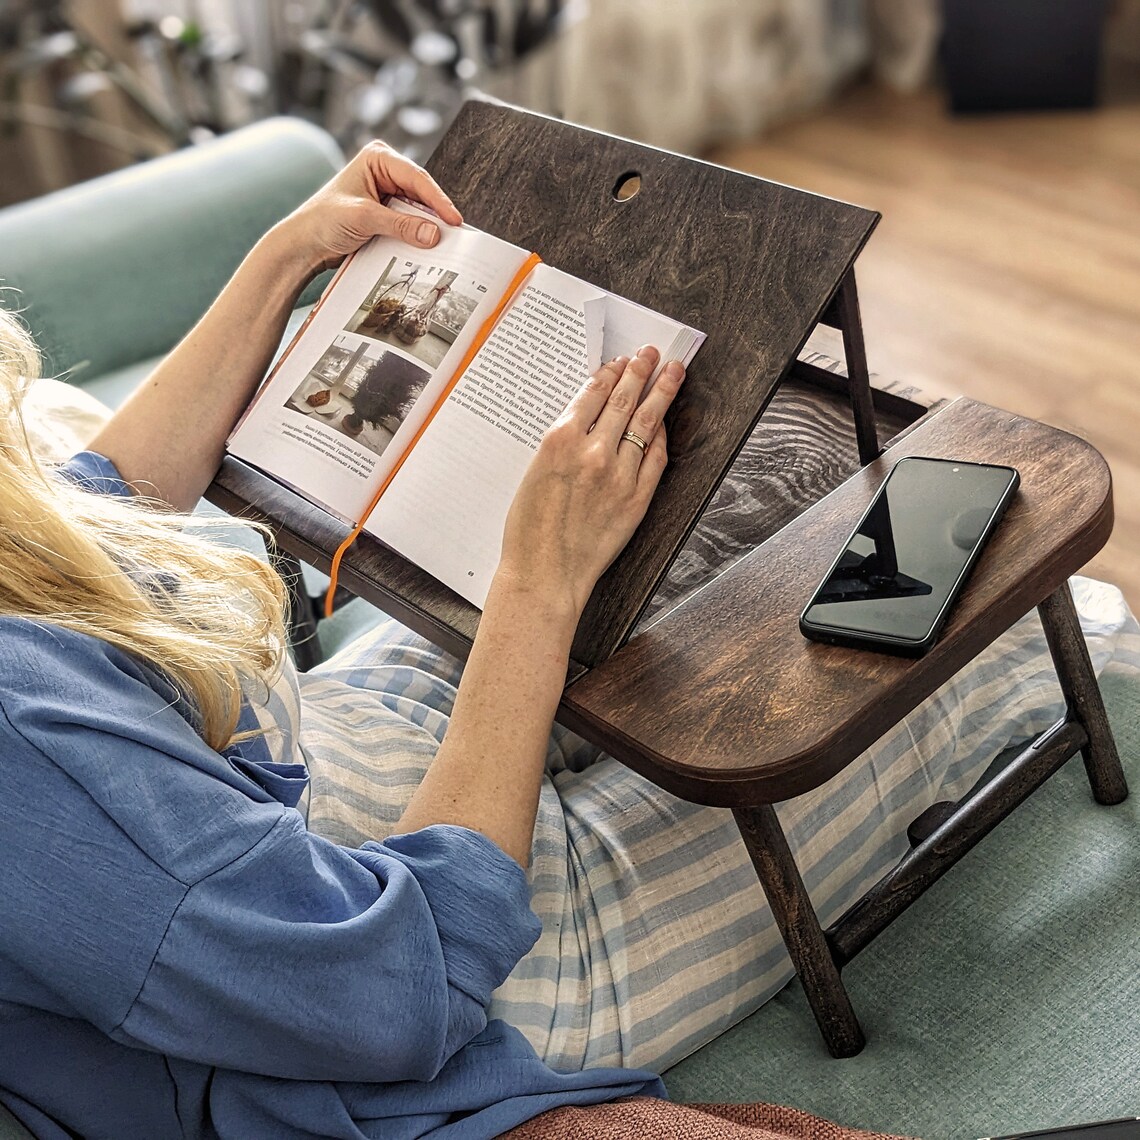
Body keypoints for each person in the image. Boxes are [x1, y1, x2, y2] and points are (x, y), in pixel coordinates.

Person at [2, 142, 1138, 1140]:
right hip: (423, 965)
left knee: (682, 560)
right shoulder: (28, 754)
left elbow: (88, 514)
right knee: (966, 643)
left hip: (274, 785)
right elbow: (396, 990)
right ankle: (1087, 661)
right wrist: (534, 588)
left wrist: (286, 260)